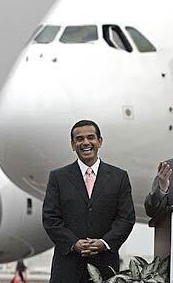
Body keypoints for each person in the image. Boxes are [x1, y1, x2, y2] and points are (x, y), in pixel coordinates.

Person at [43, 120, 135, 283]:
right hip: (67, 268)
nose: (85, 142)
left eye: (90, 137)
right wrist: (73, 243)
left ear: (100, 141)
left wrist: (104, 243)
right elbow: (50, 219)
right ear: (72, 144)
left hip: (105, 266)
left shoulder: (119, 177)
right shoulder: (58, 178)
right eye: (79, 139)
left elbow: (126, 218)